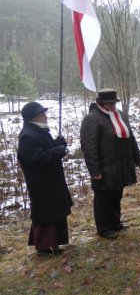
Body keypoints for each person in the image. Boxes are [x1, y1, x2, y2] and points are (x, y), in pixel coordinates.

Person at [80, 89, 140, 240]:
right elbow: (89, 147)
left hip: (120, 165)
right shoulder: (92, 119)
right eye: (110, 103)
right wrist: (95, 170)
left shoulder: (119, 115)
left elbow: (130, 136)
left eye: (114, 102)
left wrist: (136, 157)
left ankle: (115, 222)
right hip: (104, 166)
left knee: (116, 195)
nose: (113, 105)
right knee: (103, 198)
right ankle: (104, 228)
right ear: (101, 103)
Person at [17, 102, 73, 256]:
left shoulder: (37, 131)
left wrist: (57, 144)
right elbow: (37, 159)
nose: (46, 117)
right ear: (35, 117)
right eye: (43, 115)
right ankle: (44, 248)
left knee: (55, 213)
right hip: (41, 184)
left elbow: (45, 149)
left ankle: (53, 245)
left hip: (50, 182)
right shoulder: (28, 135)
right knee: (46, 215)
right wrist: (58, 151)